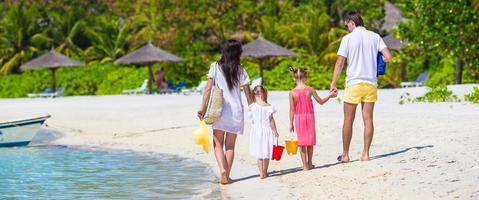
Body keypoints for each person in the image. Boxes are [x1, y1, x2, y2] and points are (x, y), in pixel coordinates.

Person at [330, 11, 392, 162]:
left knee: (348, 120)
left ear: (352, 22)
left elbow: (340, 63)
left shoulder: (347, 39)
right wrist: (379, 60)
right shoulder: (375, 36)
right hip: (370, 84)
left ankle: (345, 155)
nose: (347, 28)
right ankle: (365, 154)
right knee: (368, 119)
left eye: (347, 25)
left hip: (354, 84)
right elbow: (388, 57)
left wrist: (333, 83)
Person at [197, 40, 253, 184]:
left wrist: (202, 108)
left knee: (217, 144)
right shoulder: (240, 69)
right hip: (236, 111)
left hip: (219, 110)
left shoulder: (215, 67)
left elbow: (208, 89)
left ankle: (222, 169)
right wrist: (254, 109)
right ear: (238, 53)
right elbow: (248, 94)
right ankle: (226, 176)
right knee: (230, 146)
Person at [289, 67, 336, 170]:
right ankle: (310, 163)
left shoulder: (292, 92)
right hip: (310, 117)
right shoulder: (310, 89)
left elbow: (292, 110)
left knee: (302, 143)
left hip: (299, 119)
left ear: (294, 78)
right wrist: (330, 95)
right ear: (306, 77)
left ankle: (305, 166)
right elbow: (321, 102)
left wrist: (291, 123)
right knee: (310, 141)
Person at [248, 85, 279, 179]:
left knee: (259, 153)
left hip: (256, 131)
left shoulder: (252, 106)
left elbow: (251, 119)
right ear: (264, 93)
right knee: (266, 152)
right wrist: (275, 131)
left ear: (254, 93)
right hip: (267, 131)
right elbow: (271, 121)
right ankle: (265, 172)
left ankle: (261, 173)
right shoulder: (269, 107)